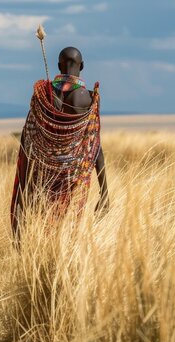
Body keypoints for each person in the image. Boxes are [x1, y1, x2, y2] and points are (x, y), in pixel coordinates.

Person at [11, 47, 109, 244]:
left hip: (40, 172)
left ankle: (38, 262)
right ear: (81, 66)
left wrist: (23, 181)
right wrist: (104, 191)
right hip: (71, 175)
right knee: (66, 227)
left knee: (39, 221)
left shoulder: (43, 95)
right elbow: (94, 144)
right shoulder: (86, 97)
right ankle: (57, 263)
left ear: (58, 66)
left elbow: (27, 135)